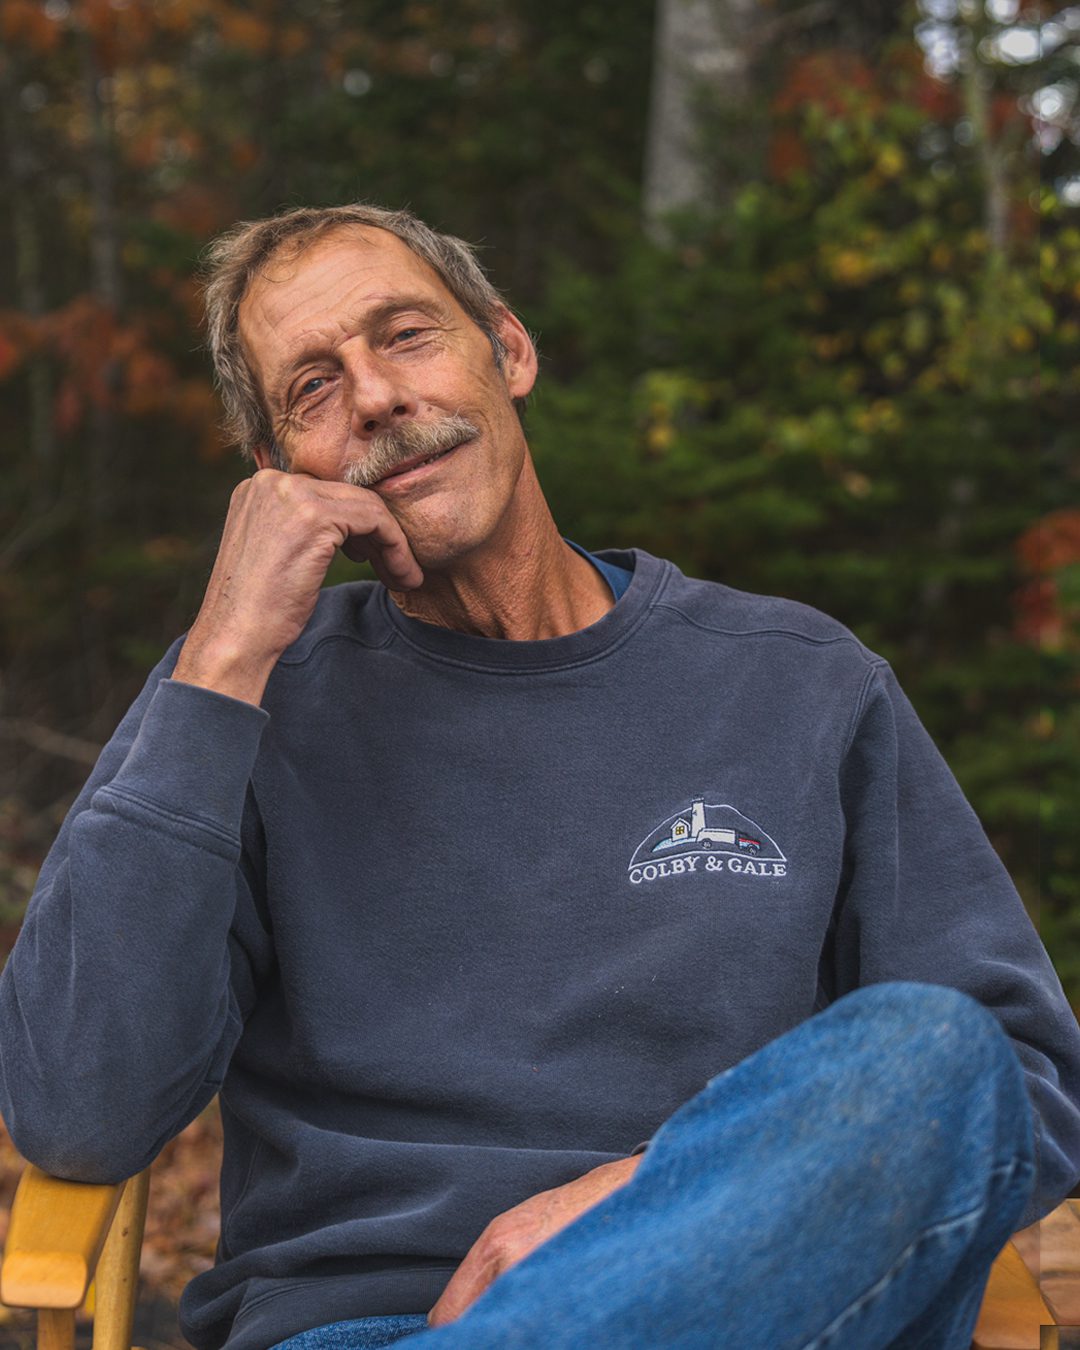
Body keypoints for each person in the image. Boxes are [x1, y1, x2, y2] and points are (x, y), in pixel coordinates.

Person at [1, 203, 1078, 1350]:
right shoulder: (242, 695)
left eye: (406, 335)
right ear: (278, 474)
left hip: (751, 1310)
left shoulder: (801, 682)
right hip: (369, 1327)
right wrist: (223, 657)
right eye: (312, 388)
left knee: (931, 1046)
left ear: (508, 352)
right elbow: (76, 1108)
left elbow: (1014, 1081)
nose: (376, 396)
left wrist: (640, 1207)